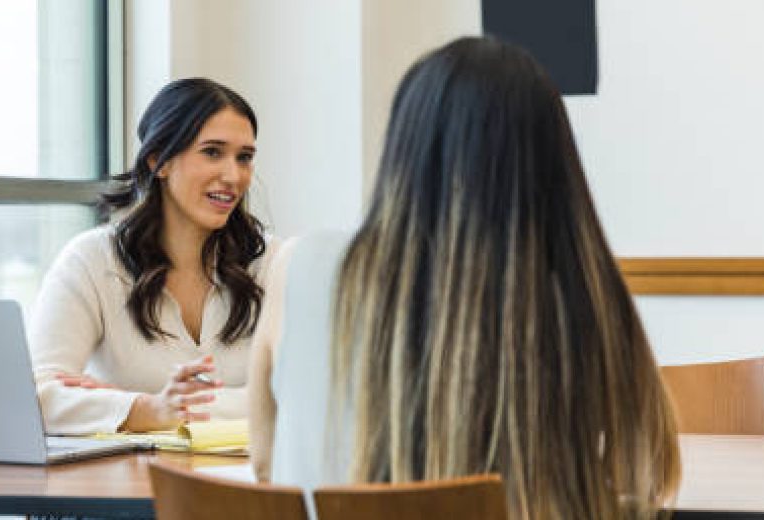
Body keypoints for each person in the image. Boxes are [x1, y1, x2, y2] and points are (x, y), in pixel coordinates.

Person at [248, 37, 681, 519]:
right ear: (552, 165)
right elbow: (644, 479)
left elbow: (264, 463)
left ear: (404, 147)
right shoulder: (581, 295)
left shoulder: (298, 265)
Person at [29, 78, 279, 434]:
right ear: (158, 161)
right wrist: (147, 407)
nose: (233, 175)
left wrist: (142, 406)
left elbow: (301, 396)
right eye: (212, 152)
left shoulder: (273, 262)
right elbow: (36, 398)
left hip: (245, 484)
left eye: (245, 158)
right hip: (127, 484)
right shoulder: (92, 260)